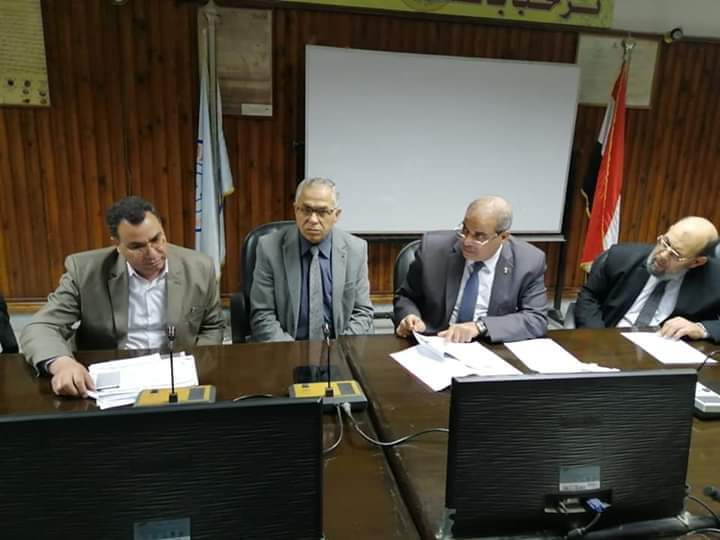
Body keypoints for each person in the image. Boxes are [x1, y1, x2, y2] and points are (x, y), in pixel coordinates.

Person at [21, 196, 224, 397]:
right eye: (137, 247)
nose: (152, 253)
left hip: (176, 376)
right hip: (109, 379)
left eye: (156, 239)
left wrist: (193, 367)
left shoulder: (199, 267)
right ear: (117, 245)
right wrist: (62, 364)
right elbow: (41, 326)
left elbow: (212, 326)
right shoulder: (84, 271)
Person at [394, 196, 548, 343]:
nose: (467, 241)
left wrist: (480, 327)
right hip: (437, 341)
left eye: (479, 236)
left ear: (503, 237)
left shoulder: (529, 261)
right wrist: (410, 316)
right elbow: (406, 297)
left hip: (490, 345)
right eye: (465, 230)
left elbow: (536, 318)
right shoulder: (432, 249)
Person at [250, 177, 374, 341]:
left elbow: (362, 312)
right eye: (306, 210)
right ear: (296, 210)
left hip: (339, 347)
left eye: (322, 212)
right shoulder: (269, 248)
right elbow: (262, 315)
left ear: (336, 215)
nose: (313, 220)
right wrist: (291, 351)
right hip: (286, 347)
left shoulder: (355, 250)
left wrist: (340, 350)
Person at [575, 216, 720, 341]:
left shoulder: (715, 279)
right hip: (610, 339)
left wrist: (701, 328)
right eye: (665, 243)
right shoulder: (621, 257)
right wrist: (598, 336)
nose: (662, 255)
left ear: (697, 262)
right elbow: (589, 296)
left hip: (665, 352)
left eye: (675, 254)